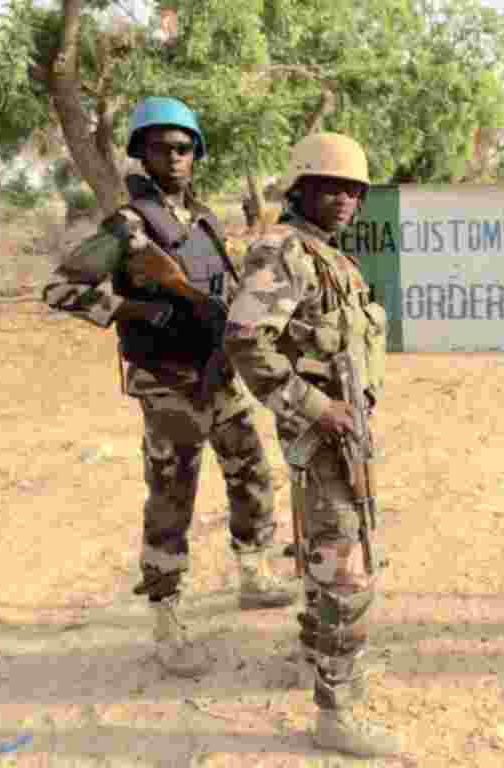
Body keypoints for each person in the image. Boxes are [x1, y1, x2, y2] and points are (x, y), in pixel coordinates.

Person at [42, 96, 295, 678]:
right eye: (161, 148)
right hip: (167, 383)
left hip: (217, 371)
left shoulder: (203, 220)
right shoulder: (128, 227)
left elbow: (223, 290)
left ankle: (253, 571)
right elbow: (60, 291)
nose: (175, 157)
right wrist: (138, 310)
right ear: (142, 154)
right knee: (172, 497)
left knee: (251, 474)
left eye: (184, 147)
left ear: (196, 153)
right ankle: (166, 615)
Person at [223, 132, 402, 757]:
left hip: (343, 434)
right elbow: (246, 340)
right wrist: (316, 407)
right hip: (321, 434)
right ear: (300, 190)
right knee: (346, 574)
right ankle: (337, 710)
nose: (346, 199)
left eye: (353, 190)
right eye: (331, 188)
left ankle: (313, 654)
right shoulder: (285, 252)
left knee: (329, 556)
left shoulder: (329, 257)